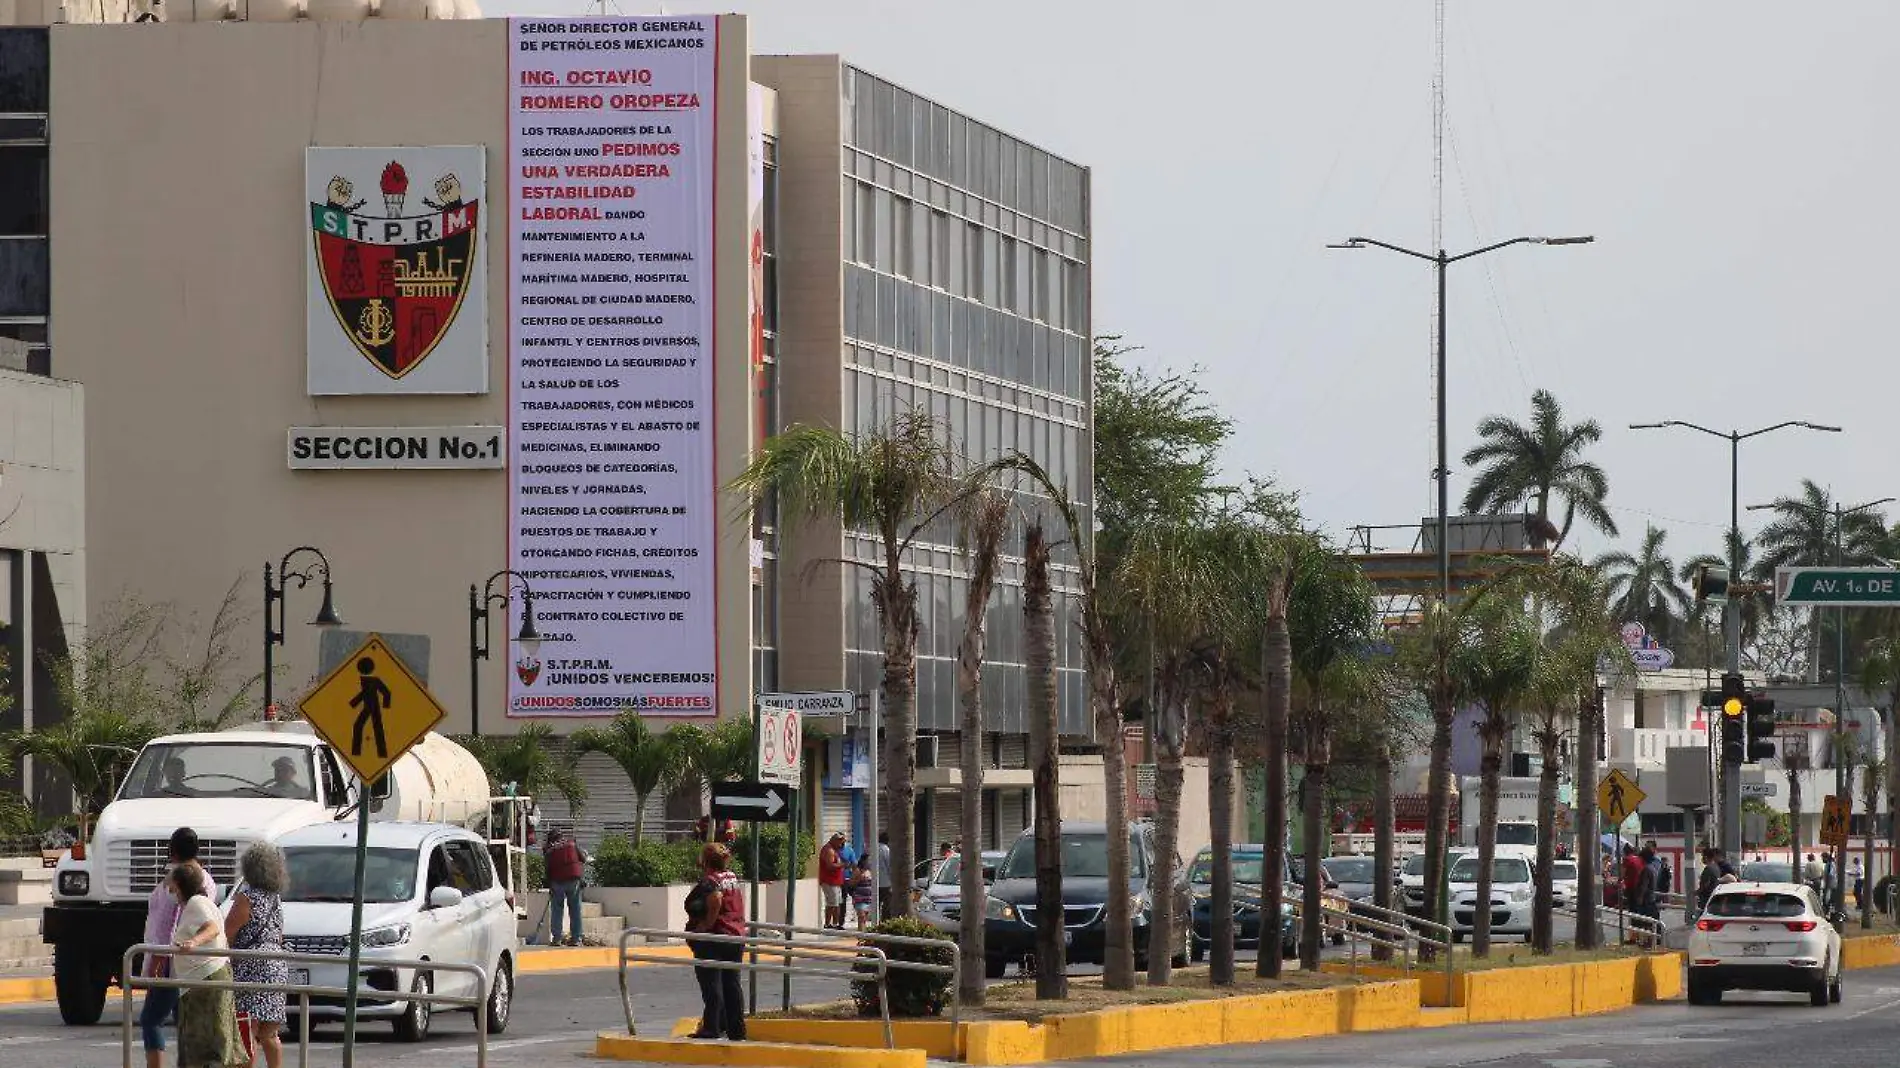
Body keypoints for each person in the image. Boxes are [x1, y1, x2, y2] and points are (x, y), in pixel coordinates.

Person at [140, 828, 220, 1068]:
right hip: (192, 962)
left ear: (172, 851)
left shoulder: (177, 880)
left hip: (172, 960)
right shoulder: (207, 879)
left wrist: (158, 959)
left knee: (151, 1019)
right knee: (183, 1020)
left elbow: (168, 924)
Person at [169, 864, 245, 1068]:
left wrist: (193, 942)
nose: (171, 891)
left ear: (179, 885)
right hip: (208, 977)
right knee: (213, 1043)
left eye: (172, 886)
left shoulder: (196, 902)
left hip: (204, 979)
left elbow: (211, 928)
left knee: (204, 1047)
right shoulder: (206, 902)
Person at [225, 842, 288, 1068]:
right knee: (270, 1033)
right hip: (276, 965)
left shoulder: (246, 897)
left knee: (247, 1029)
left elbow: (229, 932)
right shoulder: (275, 898)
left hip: (251, 966)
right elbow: (279, 935)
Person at [684, 843, 746, 1042]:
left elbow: (716, 899)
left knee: (712, 985)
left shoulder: (710, 881)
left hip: (715, 937)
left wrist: (705, 926)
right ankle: (736, 1029)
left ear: (705, 860)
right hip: (736, 936)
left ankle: (712, 1027)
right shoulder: (731, 877)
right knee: (732, 984)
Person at [543, 830, 588, 947]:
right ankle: (576, 939)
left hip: (557, 881)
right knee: (575, 910)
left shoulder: (549, 849)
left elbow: (547, 868)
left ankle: (557, 938)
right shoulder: (572, 843)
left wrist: (548, 884)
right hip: (574, 880)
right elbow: (583, 858)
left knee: (557, 910)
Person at [818, 833, 847, 930]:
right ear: (835, 841)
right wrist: (842, 865)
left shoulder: (834, 850)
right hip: (829, 881)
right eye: (841, 843)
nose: (841, 846)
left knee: (837, 903)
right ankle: (827, 924)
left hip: (836, 882)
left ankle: (835, 924)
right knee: (832, 903)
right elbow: (830, 866)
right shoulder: (829, 850)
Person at [850, 860, 875, 930]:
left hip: (868, 898)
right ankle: (861, 936)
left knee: (864, 919)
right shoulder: (857, 871)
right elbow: (851, 884)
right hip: (859, 898)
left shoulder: (871, 871)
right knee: (861, 917)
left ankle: (863, 934)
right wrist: (859, 879)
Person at [875, 832, 892, 919]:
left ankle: (875, 920)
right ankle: (885, 921)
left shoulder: (873, 848)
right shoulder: (886, 850)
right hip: (886, 883)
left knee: (876, 903)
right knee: (887, 904)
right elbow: (890, 866)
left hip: (874, 882)